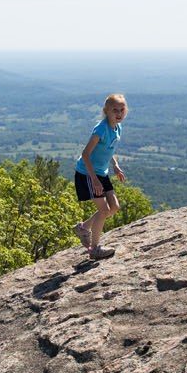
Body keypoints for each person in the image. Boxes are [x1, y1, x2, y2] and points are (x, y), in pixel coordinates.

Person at [73, 94, 128, 260]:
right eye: (115, 110)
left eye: (122, 110)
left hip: (102, 172)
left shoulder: (117, 128)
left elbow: (108, 150)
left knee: (114, 207)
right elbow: (85, 154)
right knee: (104, 210)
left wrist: (115, 165)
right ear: (106, 111)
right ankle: (95, 249)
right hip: (87, 174)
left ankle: (83, 227)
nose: (118, 113)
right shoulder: (101, 129)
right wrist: (94, 179)